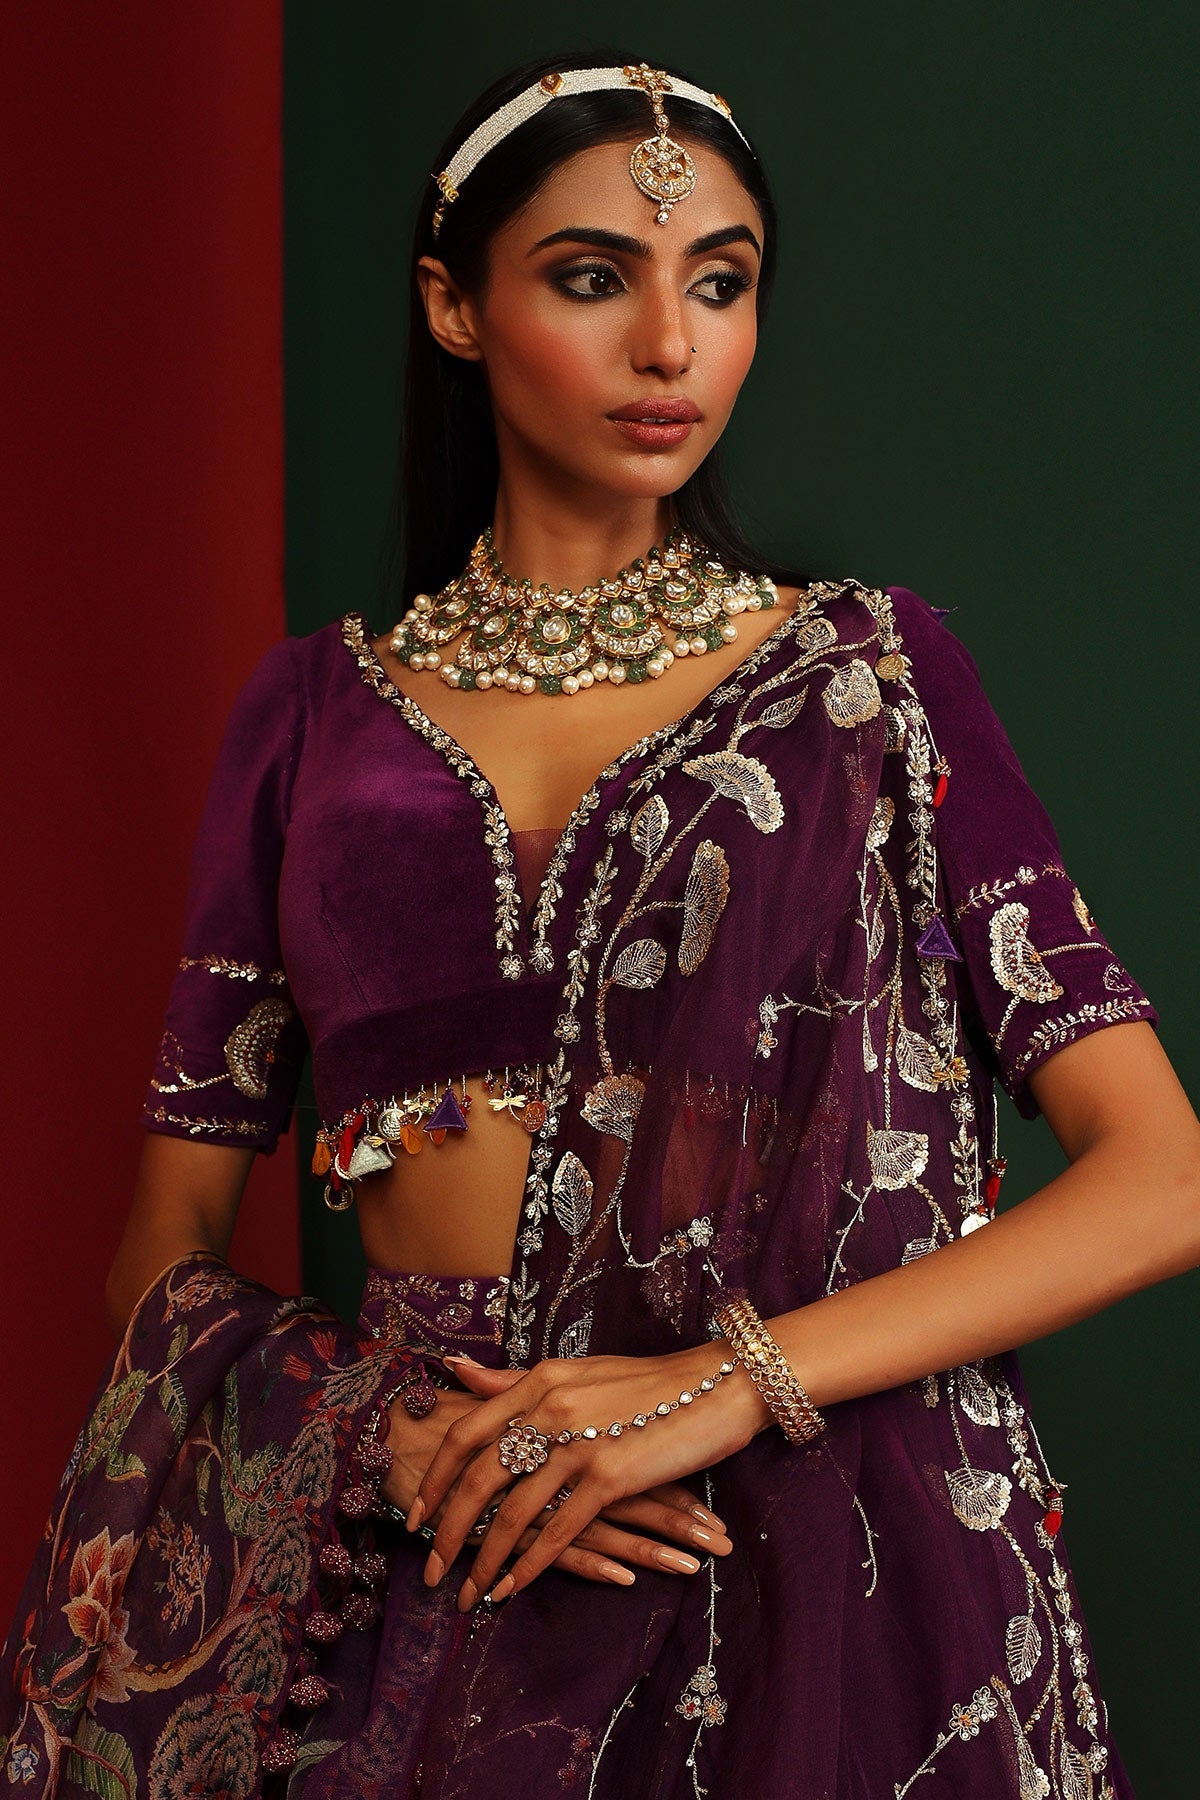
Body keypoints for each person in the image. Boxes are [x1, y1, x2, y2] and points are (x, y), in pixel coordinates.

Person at [4, 49, 1198, 1800]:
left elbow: (1162, 1175)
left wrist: (720, 1386)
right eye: (591, 277)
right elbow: (158, 1258)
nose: (669, 346)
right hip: (443, 1541)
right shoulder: (316, 720)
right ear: (454, 306)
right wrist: (387, 1447)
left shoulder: (866, 687)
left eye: (720, 283)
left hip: (807, 1558)